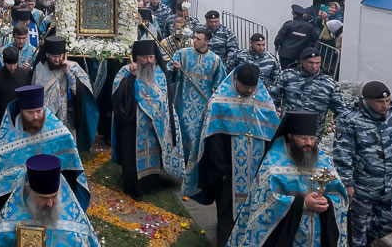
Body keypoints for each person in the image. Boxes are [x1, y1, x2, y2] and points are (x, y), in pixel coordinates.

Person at [182, 64, 280, 247]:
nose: (249, 91)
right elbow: (213, 141)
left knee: (255, 208)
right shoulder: (219, 103)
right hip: (228, 171)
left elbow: (272, 135)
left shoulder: (265, 103)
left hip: (257, 170)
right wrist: (222, 171)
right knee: (227, 211)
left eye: (253, 87)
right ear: (235, 80)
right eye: (245, 87)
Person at [227, 111, 349, 247]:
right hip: (288, 235)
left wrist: (327, 201)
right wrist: (302, 204)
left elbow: (340, 195)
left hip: (319, 234)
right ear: (290, 136)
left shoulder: (323, 160)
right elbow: (265, 201)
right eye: (303, 138)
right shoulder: (273, 162)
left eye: (312, 138)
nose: (309, 143)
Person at [333, 81, 392, 247]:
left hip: (391, 184)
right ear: (366, 100)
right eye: (380, 102)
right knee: (357, 229)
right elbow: (343, 153)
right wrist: (347, 183)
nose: (385, 105)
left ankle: (360, 238)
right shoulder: (350, 119)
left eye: (388, 100)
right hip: (362, 186)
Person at [0, 84, 91, 211]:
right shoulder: (7, 142)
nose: (36, 116)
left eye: (39, 111)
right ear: (21, 111)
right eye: (30, 113)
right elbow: (1, 180)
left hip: (56, 203)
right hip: (23, 206)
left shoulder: (60, 134)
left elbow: (71, 172)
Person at [111, 39, 184, 198]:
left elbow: (167, 93)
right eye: (144, 58)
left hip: (155, 125)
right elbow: (117, 96)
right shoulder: (125, 71)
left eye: (151, 57)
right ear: (136, 57)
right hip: (134, 123)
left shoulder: (159, 72)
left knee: (153, 155)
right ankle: (134, 187)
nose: (148, 61)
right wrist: (131, 78)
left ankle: (151, 183)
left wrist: (175, 72)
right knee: (133, 158)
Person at [0, 154, 99, 247]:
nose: (50, 204)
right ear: (29, 192)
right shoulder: (9, 221)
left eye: (54, 196)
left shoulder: (74, 217)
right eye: (44, 198)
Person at [0, 46, 33, 192]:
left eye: (14, 64)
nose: (12, 67)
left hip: (20, 122)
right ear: (4, 62)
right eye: (9, 64)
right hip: (0, 122)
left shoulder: (24, 75)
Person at [31, 35, 99, 152]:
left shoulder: (73, 67)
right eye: (54, 57)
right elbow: (34, 95)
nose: (58, 60)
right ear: (47, 54)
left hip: (67, 116)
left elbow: (80, 92)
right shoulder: (40, 69)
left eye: (60, 56)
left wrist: (68, 74)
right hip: (47, 118)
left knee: (67, 148)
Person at [170, 26, 227, 163]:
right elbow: (171, 76)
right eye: (194, 37)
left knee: (198, 134)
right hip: (183, 102)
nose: (194, 41)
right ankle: (182, 161)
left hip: (203, 105)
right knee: (183, 131)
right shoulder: (182, 54)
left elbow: (220, 85)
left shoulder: (215, 60)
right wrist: (175, 70)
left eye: (198, 39)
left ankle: (197, 162)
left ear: (207, 42)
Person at [270, 47, 346, 137]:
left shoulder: (329, 83)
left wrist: (340, 130)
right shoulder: (287, 76)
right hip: (289, 130)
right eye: (310, 62)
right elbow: (272, 100)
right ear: (302, 61)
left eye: (317, 63)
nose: (314, 66)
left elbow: (340, 110)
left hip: (313, 133)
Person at [274, 4, 319, 70]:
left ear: (294, 15)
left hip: (286, 53)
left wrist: (276, 45)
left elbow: (279, 38)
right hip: (300, 54)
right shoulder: (310, 27)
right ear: (303, 15)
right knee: (299, 72)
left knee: (285, 71)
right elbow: (315, 39)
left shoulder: (288, 24)